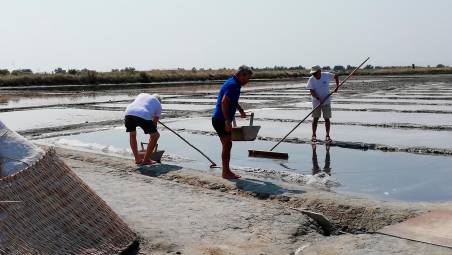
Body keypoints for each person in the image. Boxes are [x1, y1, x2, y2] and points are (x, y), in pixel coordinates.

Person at [212, 65, 253, 179]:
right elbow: (225, 102)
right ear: (241, 75)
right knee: (227, 144)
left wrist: (240, 110)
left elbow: (232, 100)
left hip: (219, 118)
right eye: (247, 78)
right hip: (220, 119)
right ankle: (226, 172)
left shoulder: (234, 83)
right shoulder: (233, 85)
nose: (247, 81)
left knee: (227, 144)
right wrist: (227, 121)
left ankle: (226, 171)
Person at [124, 93, 162, 165]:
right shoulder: (159, 105)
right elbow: (154, 124)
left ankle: (137, 159)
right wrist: (152, 135)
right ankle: (146, 159)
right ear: (159, 101)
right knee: (156, 136)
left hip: (128, 113)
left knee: (132, 135)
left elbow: (140, 105)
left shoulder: (142, 95)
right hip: (143, 114)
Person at [306, 65, 340, 143]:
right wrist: (318, 98)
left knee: (327, 118)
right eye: (313, 73)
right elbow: (311, 91)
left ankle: (327, 136)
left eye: (315, 73)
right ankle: (313, 135)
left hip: (326, 101)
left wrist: (337, 87)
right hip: (316, 102)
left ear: (319, 71)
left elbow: (336, 76)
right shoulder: (311, 79)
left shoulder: (326, 75)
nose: (313, 74)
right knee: (315, 118)